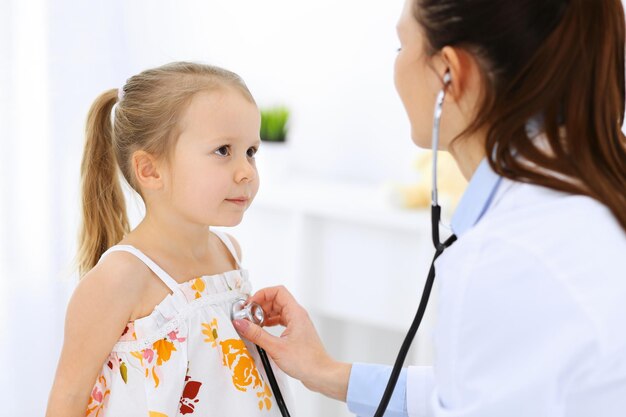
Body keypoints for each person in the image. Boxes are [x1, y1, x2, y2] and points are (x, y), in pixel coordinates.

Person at [232, 0, 626, 416]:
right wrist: (325, 371)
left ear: (449, 73)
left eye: (401, 46)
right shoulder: (581, 200)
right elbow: (474, 390)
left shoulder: (511, 256)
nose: (396, 68)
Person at [46, 62, 289, 417]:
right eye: (224, 150)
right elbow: (67, 399)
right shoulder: (120, 278)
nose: (246, 172)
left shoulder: (228, 254)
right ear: (150, 170)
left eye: (251, 152)